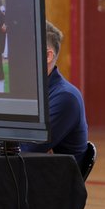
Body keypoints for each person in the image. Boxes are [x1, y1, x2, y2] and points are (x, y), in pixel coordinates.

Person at [19, 20, 88, 164]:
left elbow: (26, 149)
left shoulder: (66, 97)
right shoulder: (28, 92)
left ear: (48, 56)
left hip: (46, 183)